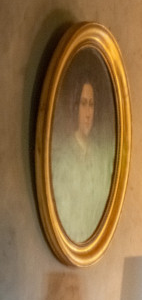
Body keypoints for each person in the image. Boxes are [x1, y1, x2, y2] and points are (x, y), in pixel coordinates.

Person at [50, 65, 115, 244]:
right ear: (75, 107)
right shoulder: (64, 156)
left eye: (91, 105)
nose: (88, 113)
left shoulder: (100, 156)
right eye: (84, 104)